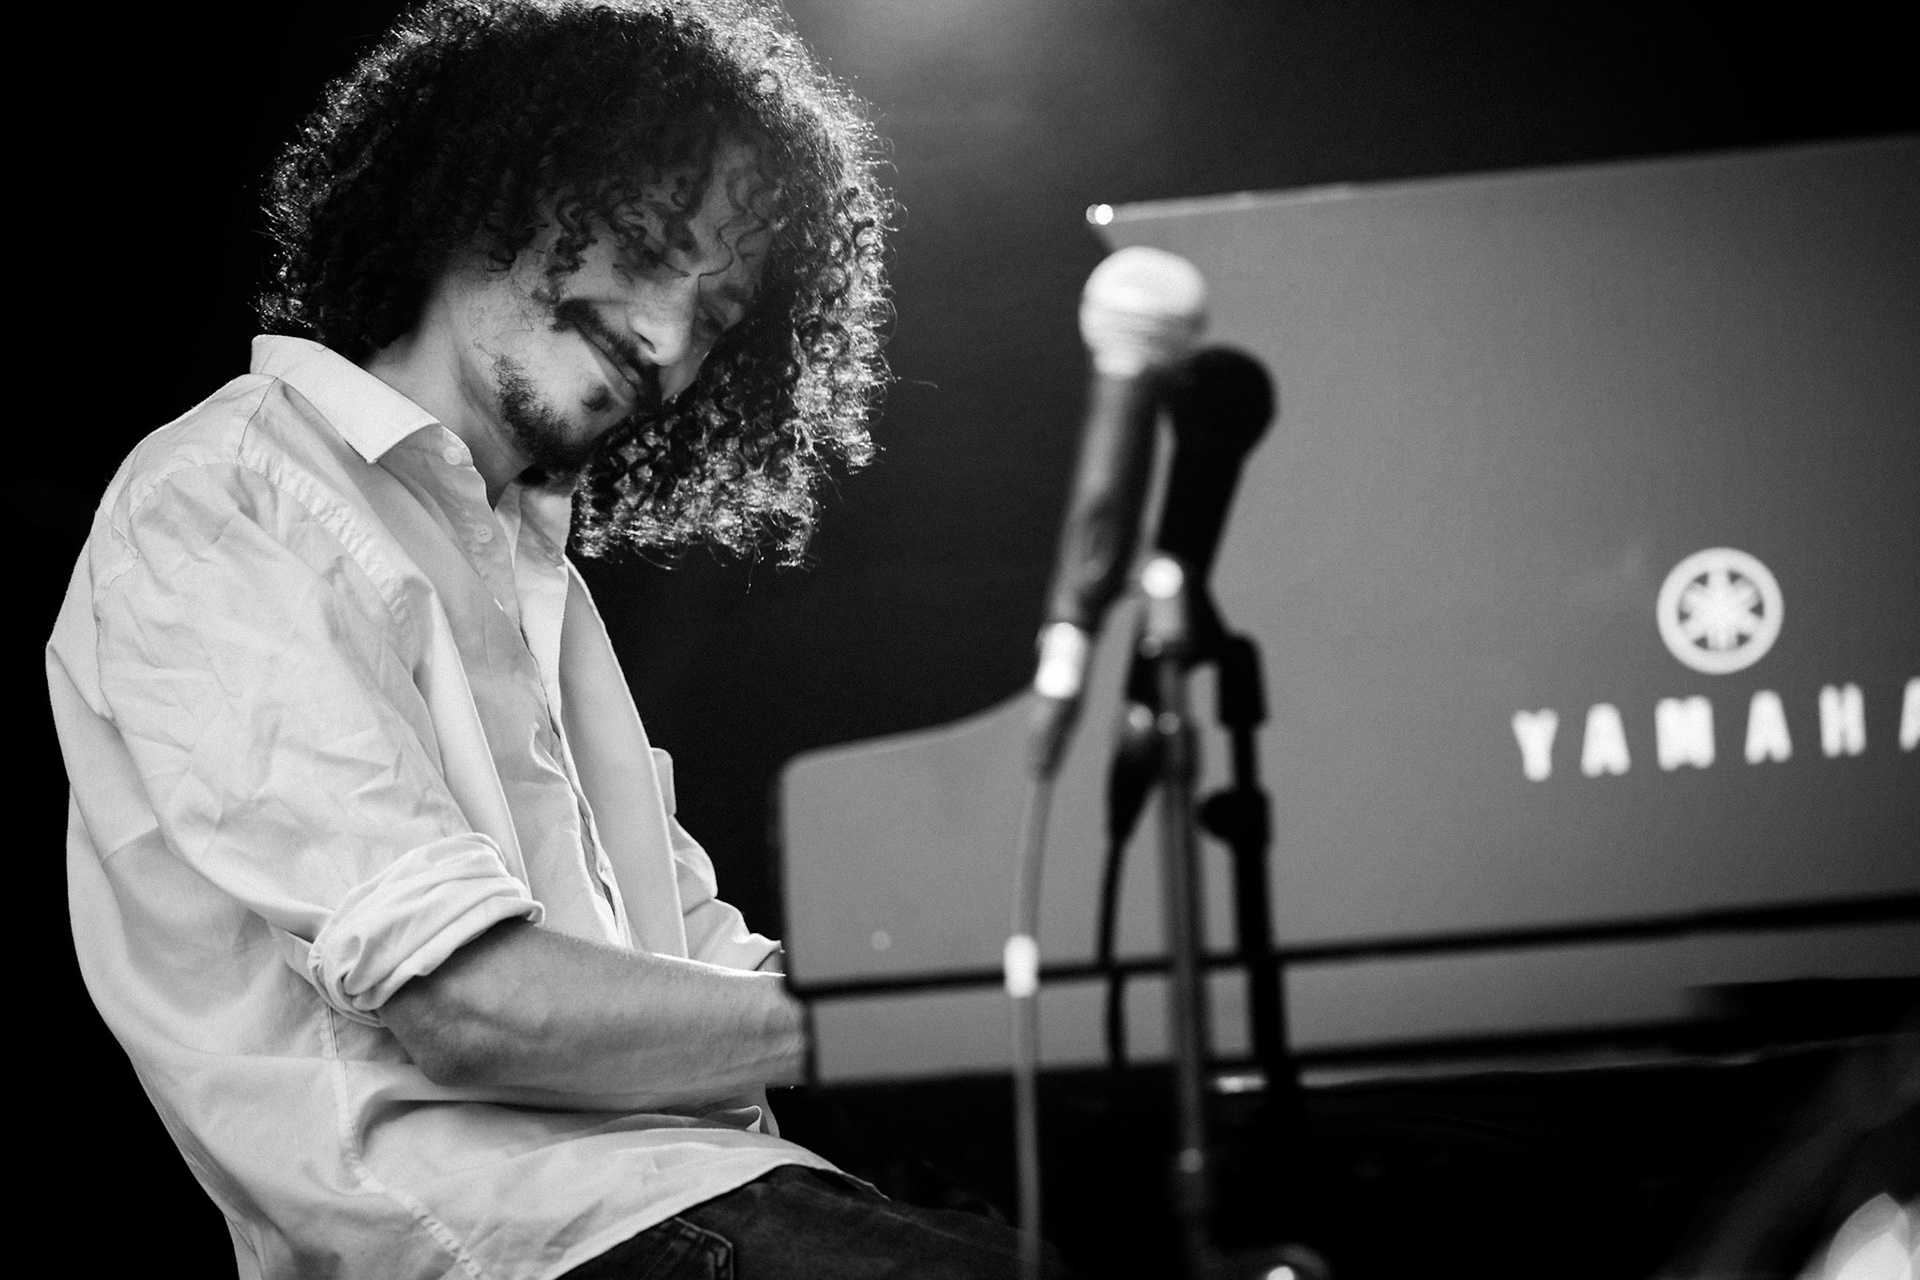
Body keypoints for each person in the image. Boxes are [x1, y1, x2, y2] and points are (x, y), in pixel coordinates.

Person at [47, 2, 1058, 1276]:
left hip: (683, 1189)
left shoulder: (531, 577)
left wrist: (996, 983)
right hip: (514, 1235)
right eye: (640, 245)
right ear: (486, 184)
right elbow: (470, 1008)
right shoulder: (222, 486)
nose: (670, 339)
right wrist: (896, 1020)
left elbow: (702, 967)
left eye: (723, 317)